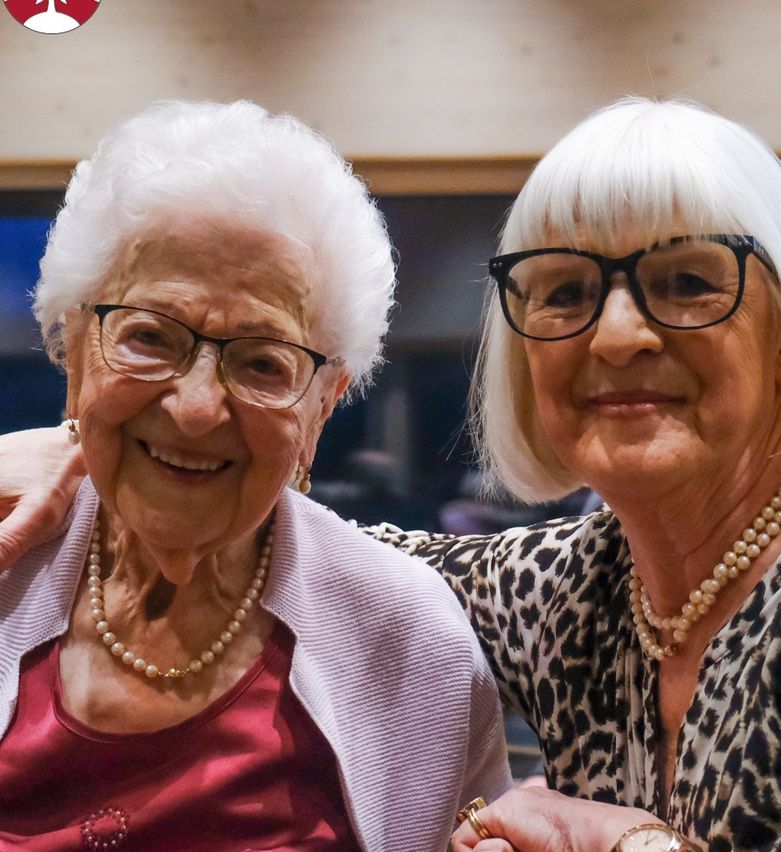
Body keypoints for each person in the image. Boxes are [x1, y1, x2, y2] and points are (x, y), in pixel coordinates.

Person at [2, 97, 781, 850]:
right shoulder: (565, 588)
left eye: (688, 282)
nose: (618, 334)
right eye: (564, 293)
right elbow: (334, 562)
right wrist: (70, 446)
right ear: (72, 349)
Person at [0, 99, 511, 851]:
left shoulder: (408, 636)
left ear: (322, 405)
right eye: (149, 336)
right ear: (75, 349)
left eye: (263, 362)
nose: (198, 408)